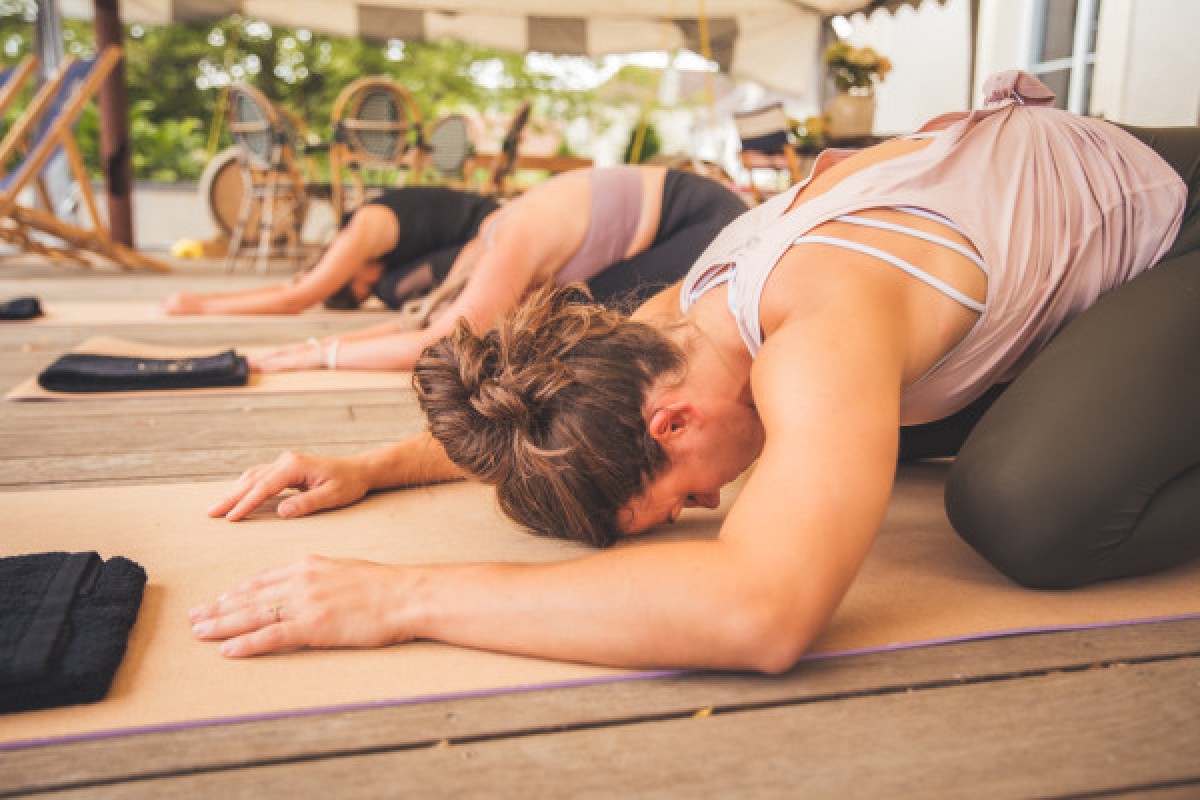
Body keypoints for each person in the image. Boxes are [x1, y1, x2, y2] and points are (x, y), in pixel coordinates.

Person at [189, 72, 1198, 673]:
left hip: (1175, 213)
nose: (715, 499)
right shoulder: (681, 321)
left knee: (1026, 505)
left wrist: (399, 597)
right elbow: (551, 414)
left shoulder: (818, 326)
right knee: (916, 444)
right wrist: (375, 465)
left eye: (678, 502)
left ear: (671, 424)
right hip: (1060, 243)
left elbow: (763, 611)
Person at [196, 165, 749, 373]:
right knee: (537, 326)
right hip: (673, 216)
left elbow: (442, 336)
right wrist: (327, 342)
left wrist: (316, 356)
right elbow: (424, 321)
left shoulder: (510, 239)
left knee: (576, 331)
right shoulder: (489, 242)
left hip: (705, 218)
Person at [160, 186, 500, 316]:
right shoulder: (363, 242)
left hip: (496, 230)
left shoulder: (359, 235)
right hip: (476, 237)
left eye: (360, 288)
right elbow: (297, 285)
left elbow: (296, 298)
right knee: (392, 291)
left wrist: (203, 306)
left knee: (392, 290)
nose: (370, 292)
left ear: (342, 272)